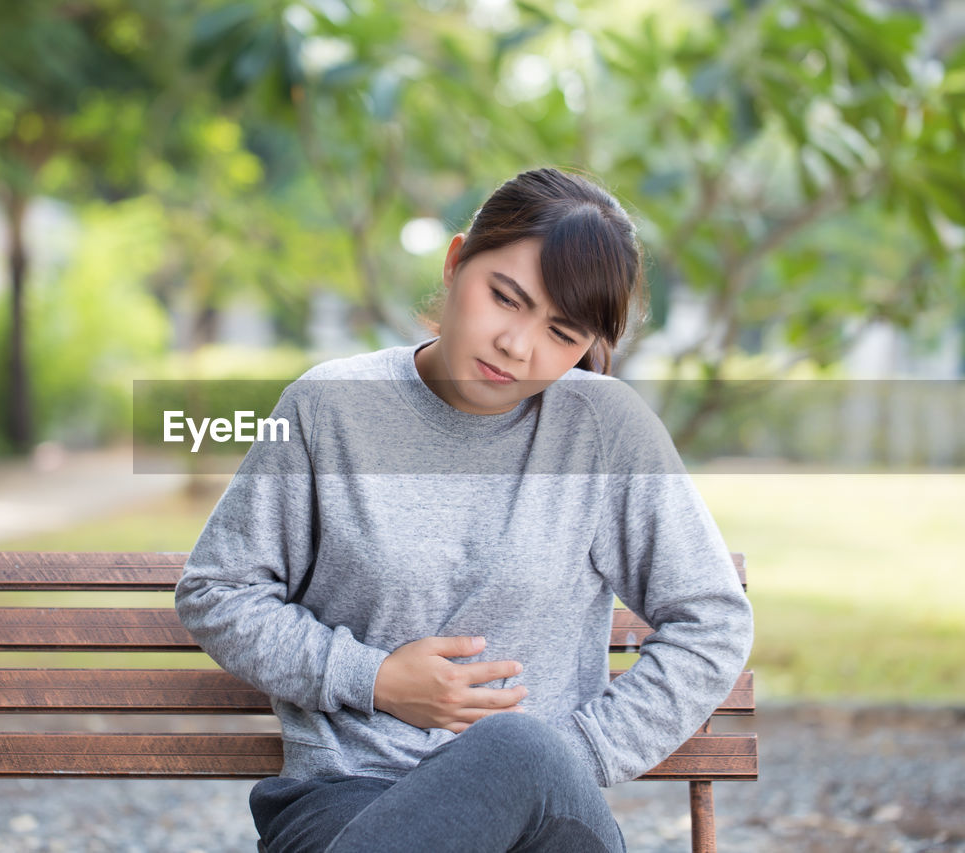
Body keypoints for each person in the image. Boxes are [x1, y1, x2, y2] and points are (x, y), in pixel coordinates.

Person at [174, 167, 755, 853]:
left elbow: (712, 622)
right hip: (348, 803)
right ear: (455, 263)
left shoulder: (602, 430)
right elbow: (218, 590)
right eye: (505, 298)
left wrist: (576, 752)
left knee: (516, 746)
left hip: (544, 826)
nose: (518, 344)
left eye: (562, 333)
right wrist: (376, 678)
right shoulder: (329, 406)